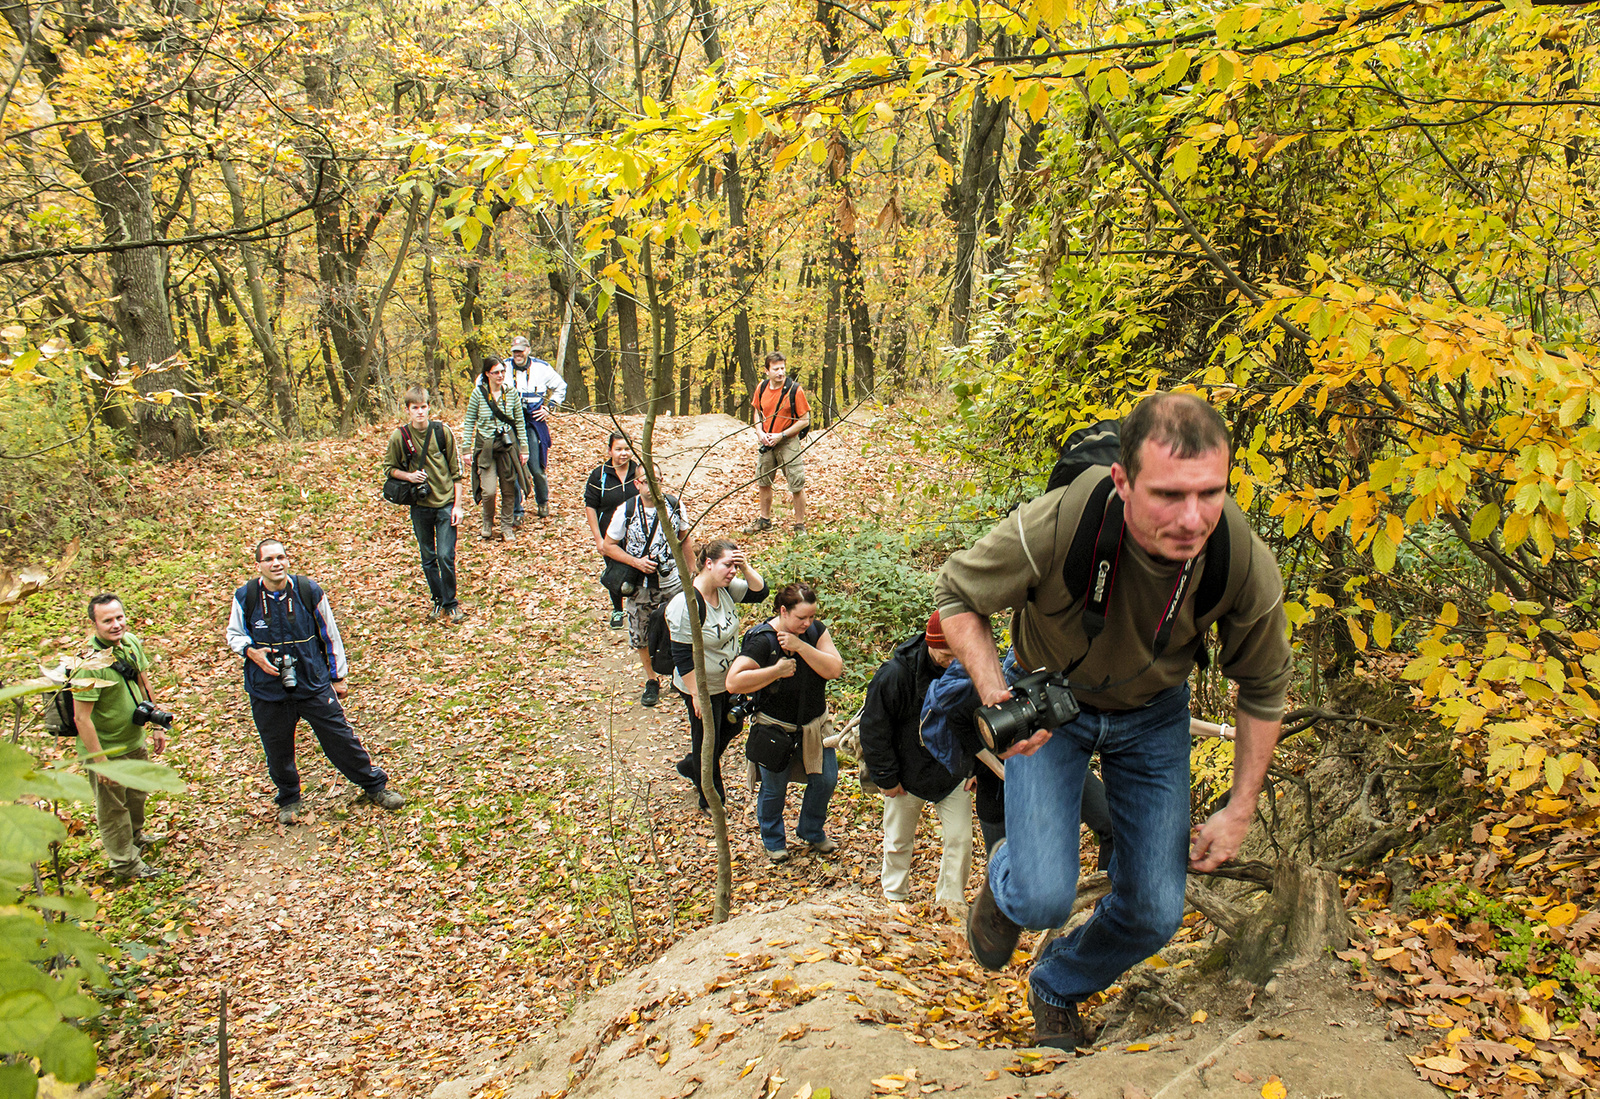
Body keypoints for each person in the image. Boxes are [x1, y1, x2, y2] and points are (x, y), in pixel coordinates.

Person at [934, 392, 1292, 1049]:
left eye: (1210, 493)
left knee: (1156, 910)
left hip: (1154, 718)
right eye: (1167, 495)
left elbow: (1264, 686)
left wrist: (1240, 807)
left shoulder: (1238, 557)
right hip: (1050, 703)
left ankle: (1058, 981)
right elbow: (958, 592)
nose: (1191, 518)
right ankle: (1008, 880)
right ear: (1123, 482)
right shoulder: (1066, 520)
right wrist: (996, 693)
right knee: (1042, 895)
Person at [226, 539, 408, 825]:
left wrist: (338, 677)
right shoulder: (246, 596)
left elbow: (330, 635)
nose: (277, 564)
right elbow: (234, 635)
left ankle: (375, 786)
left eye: (281, 557)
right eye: (269, 559)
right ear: (258, 565)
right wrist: (253, 653)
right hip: (267, 688)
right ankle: (288, 799)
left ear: (288, 560)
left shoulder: (308, 591)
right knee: (277, 748)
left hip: (312, 682)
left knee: (341, 738)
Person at [859, 610, 973, 910]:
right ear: (930, 642)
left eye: (956, 652)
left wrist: (975, 766)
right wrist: (886, 776)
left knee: (960, 840)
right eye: (945, 654)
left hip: (952, 771)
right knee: (898, 840)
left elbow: (979, 718)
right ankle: (894, 897)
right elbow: (874, 727)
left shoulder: (968, 668)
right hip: (905, 772)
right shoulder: (896, 675)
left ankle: (951, 903)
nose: (951, 660)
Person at [725, 582, 843, 863]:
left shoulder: (814, 632)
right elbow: (733, 682)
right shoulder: (763, 640)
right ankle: (774, 840)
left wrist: (802, 647)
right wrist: (775, 671)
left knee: (826, 780)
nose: (808, 622)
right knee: (774, 788)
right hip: (775, 727)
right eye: (801, 618)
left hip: (814, 726)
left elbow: (834, 668)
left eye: (811, 616)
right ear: (783, 611)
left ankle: (811, 830)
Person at [71, 594, 168, 882]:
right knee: (113, 808)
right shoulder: (88, 665)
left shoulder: (130, 642)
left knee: (136, 794)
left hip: (133, 738)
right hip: (106, 749)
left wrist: (156, 724)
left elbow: (143, 682)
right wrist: (100, 762)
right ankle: (126, 865)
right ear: (93, 624)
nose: (116, 625)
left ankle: (136, 838)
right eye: (108, 620)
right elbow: (81, 718)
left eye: (119, 617)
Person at [668, 540, 767, 812]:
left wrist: (744, 566)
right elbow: (682, 656)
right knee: (707, 739)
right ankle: (710, 796)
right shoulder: (686, 603)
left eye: (734, 566)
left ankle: (693, 765)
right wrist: (696, 694)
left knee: (733, 726)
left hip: (728, 680)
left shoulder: (725, 589)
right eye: (727, 565)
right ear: (708, 564)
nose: (732, 572)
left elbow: (760, 592)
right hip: (701, 684)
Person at [603, 467, 695, 707]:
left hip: (672, 582)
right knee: (640, 633)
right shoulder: (627, 510)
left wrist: (692, 572)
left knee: (677, 628)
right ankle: (651, 680)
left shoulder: (674, 505)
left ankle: (678, 673)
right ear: (637, 484)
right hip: (640, 586)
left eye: (656, 480)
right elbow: (608, 545)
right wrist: (636, 562)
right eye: (646, 481)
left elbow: (684, 538)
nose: (651, 486)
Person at [383, 387, 467, 622]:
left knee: (445, 555)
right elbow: (389, 468)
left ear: (429, 407)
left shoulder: (442, 431)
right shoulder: (400, 437)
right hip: (420, 505)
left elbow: (457, 472)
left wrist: (457, 505)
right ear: (408, 410)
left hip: (445, 503)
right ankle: (438, 599)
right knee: (428, 556)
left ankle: (451, 603)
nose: (420, 412)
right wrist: (409, 476)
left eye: (423, 407)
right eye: (415, 408)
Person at [740, 352, 810, 536]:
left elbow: (804, 420)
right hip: (767, 442)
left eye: (782, 368)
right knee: (763, 481)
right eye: (776, 369)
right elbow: (757, 411)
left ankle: (799, 525)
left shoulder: (795, 390)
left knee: (796, 483)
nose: (780, 372)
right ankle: (765, 521)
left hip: (788, 441)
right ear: (767, 370)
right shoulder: (761, 388)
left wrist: (782, 435)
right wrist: (759, 432)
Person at [462, 357, 529, 543]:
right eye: (495, 372)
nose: (500, 375)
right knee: (489, 490)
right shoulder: (478, 394)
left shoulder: (511, 393)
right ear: (487, 374)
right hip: (486, 447)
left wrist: (524, 448)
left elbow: (519, 422)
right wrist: (466, 449)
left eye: (502, 371)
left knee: (509, 489)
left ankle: (506, 526)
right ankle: (487, 522)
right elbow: (469, 422)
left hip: (507, 446)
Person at [506, 336, 566, 525]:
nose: (518, 354)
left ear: (528, 350)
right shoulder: (504, 367)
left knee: (535, 466)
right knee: (513, 467)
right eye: (515, 351)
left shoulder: (541, 368)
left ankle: (542, 501)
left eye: (521, 351)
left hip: (532, 420)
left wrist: (550, 407)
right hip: (510, 421)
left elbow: (560, 387)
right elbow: (482, 383)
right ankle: (517, 509)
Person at [585, 433, 640, 630]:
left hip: (637, 533)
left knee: (638, 572)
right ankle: (618, 609)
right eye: (618, 449)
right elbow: (590, 506)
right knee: (616, 573)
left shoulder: (640, 472)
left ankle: (639, 609)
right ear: (610, 451)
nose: (623, 453)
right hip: (610, 534)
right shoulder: (599, 475)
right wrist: (598, 539)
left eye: (627, 449)